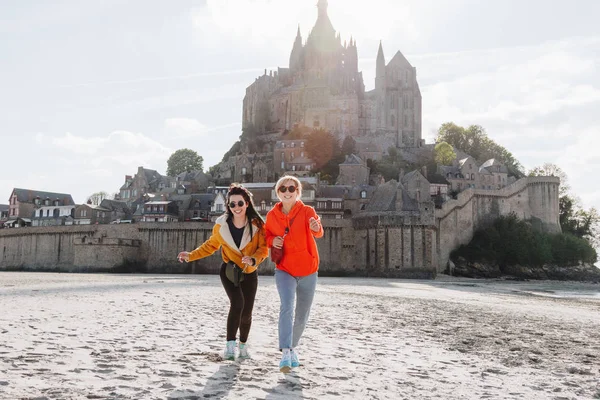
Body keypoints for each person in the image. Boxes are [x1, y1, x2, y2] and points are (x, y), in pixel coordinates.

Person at [177, 183, 268, 361]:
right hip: (229, 271)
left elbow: (264, 249)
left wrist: (253, 259)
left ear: (247, 204)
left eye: (240, 203)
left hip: (249, 271)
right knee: (237, 303)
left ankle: (243, 346)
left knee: (247, 311)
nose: (236, 208)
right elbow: (210, 246)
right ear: (228, 206)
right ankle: (229, 346)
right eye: (232, 204)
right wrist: (190, 255)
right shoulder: (221, 226)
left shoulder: (258, 225)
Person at [265, 175, 323, 373]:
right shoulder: (272, 216)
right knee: (287, 307)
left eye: (292, 188)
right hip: (285, 270)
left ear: (298, 192)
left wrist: (316, 227)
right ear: (278, 192)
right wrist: (273, 240)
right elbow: (266, 237)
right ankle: (285, 352)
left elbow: (318, 231)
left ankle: (292, 347)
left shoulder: (308, 211)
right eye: (283, 189)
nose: (287, 192)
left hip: (308, 269)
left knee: (302, 314)